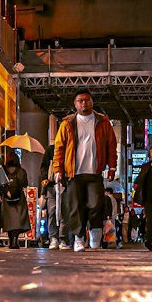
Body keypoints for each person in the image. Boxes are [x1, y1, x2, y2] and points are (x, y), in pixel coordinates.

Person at [52, 88, 118, 252]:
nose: (84, 103)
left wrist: (112, 166)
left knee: (96, 204)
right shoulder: (67, 123)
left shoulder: (102, 122)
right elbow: (59, 148)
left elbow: (111, 145)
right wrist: (58, 169)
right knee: (75, 207)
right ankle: (78, 238)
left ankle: (95, 232)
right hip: (74, 173)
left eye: (87, 100)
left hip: (94, 172)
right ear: (75, 104)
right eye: (80, 100)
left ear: (92, 102)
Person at [0, 148, 31, 248]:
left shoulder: (3, 171)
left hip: (6, 198)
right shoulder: (22, 171)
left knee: (9, 220)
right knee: (18, 219)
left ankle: (10, 240)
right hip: (19, 198)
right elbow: (25, 184)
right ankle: (15, 240)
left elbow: (0, 184)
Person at [40, 141, 62, 249]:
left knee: (63, 212)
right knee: (52, 211)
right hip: (52, 184)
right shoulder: (50, 149)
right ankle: (54, 237)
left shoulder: (69, 148)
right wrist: (44, 178)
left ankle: (63, 237)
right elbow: (44, 165)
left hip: (63, 184)